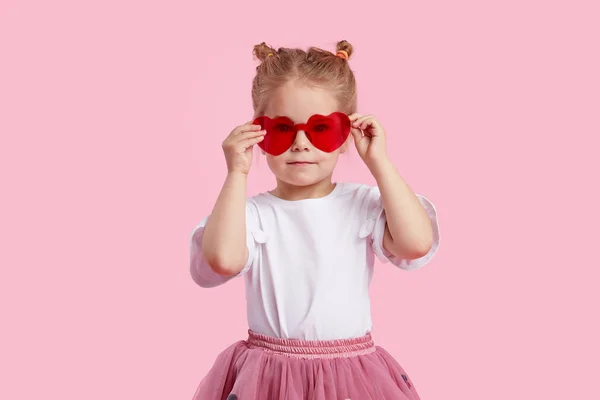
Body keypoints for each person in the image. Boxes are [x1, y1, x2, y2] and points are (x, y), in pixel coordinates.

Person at [189, 39, 441, 400]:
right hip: (270, 380)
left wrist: (379, 163)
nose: (301, 143)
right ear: (258, 135)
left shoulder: (363, 204)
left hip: (352, 378)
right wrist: (237, 173)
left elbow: (416, 244)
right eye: (282, 129)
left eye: (321, 129)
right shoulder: (252, 214)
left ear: (346, 137)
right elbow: (222, 260)